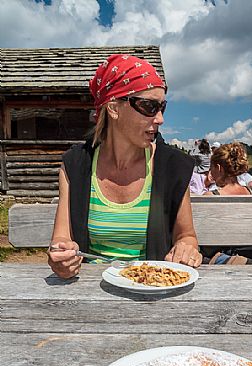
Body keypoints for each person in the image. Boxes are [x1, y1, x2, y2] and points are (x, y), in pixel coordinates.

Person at [48, 54, 202, 278]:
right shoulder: (76, 164)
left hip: (153, 289)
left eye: (162, 107)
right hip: (92, 289)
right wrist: (61, 256)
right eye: (149, 106)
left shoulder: (174, 166)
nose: (160, 118)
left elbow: (187, 236)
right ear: (113, 108)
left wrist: (187, 248)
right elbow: (61, 239)